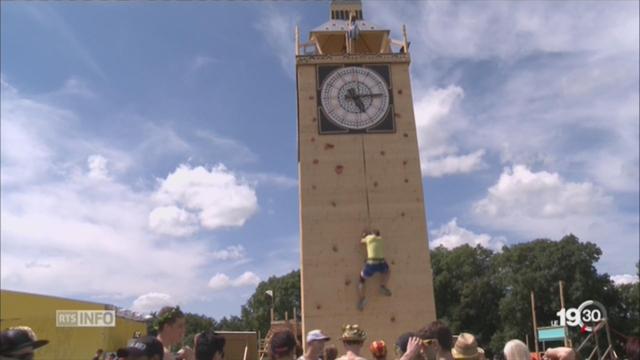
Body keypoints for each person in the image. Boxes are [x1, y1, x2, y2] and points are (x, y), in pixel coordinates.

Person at [357, 230, 392, 310]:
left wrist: (364, 236)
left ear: (372, 234)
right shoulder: (380, 239)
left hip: (372, 263)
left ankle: (362, 299)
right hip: (382, 262)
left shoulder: (369, 238)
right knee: (388, 271)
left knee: (362, 279)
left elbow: (361, 241)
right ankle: (383, 286)